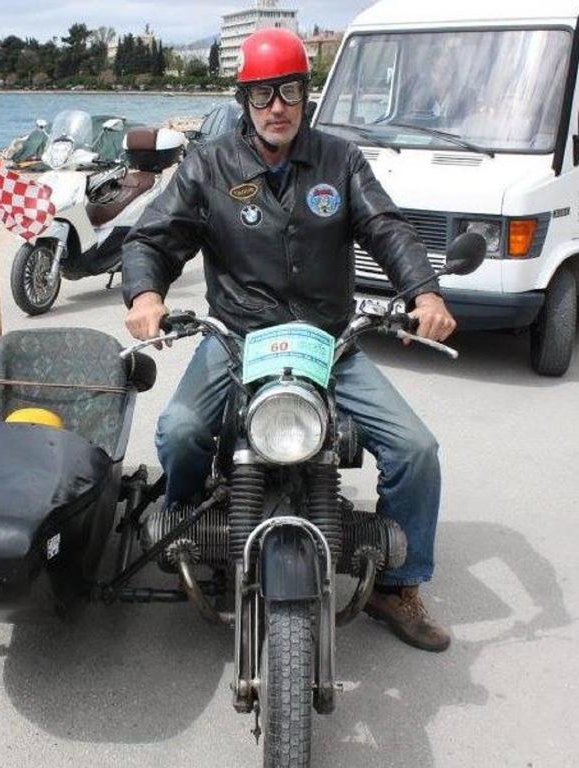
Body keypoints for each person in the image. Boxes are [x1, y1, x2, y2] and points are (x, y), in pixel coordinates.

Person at [121, 28, 457, 652]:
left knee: (417, 450)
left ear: (307, 95)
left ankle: (398, 584)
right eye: (263, 93)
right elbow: (151, 238)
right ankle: (192, 532)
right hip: (238, 339)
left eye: (292, 91)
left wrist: (425, 294)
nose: (278, 106)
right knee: (182, 430)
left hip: (328, 341)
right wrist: (145, 295)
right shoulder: (208, 165)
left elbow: (387, 228)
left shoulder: (341, 160)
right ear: (245, 98)